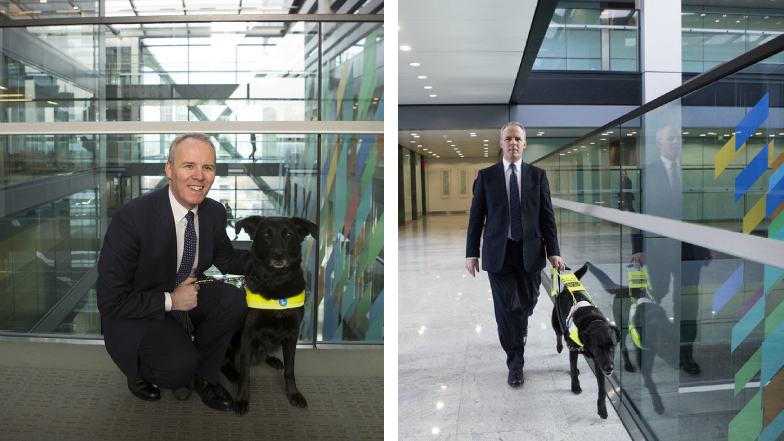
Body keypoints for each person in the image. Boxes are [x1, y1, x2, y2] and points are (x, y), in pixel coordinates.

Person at [97, 133, 250, 411]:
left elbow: (226, 258)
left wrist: (274, 258)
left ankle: (205, 377)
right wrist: (172, 300)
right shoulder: (132, 220)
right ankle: (139, 372)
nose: (199, 176)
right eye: (189, 165)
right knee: (176, 370)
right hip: (139, 307)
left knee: (233, 301)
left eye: (208, 167)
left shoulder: (213, 212)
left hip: (187, 292)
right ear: (169, 170)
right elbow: (110, 300)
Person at [465, 121, 567, 388]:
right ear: (501, 144)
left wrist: (554, 252)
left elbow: (547, 218)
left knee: (526, 304)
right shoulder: (486, 176)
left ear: (524, 144)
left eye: (517, 139)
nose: (513, 143)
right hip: (499, 253)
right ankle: (515, 362)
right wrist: (471, 253)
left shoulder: (537, 176)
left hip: (531, 253)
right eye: (508, 138)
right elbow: (476, 218)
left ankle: (515, 333)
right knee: (506, 310)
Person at [632, 124, 709, 375]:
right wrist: (638, 247)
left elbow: (698, 211)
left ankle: (686, 355)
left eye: (678, 139)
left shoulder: (690, 173)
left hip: (689, 253)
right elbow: (636, 214)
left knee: (687, 305)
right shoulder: (647, 173)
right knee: (653, 300)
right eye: (670, 138)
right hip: (658, 250)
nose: (675, 142)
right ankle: (644, 347)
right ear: (659, 143)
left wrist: (705, 246)